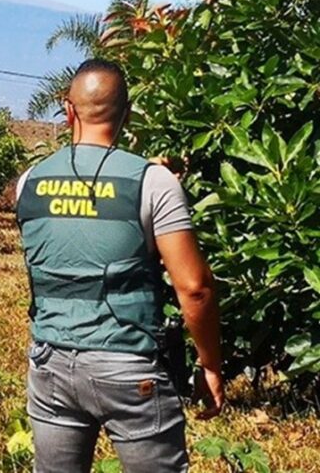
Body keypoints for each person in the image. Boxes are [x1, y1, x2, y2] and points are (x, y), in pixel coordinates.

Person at [16, 58, 224, 473]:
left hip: (50, 364)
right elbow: (194, 288)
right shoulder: (152, 181)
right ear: (127, 114)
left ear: (67, 109)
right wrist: (211, 364)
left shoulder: (29, 181)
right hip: (129, 366)